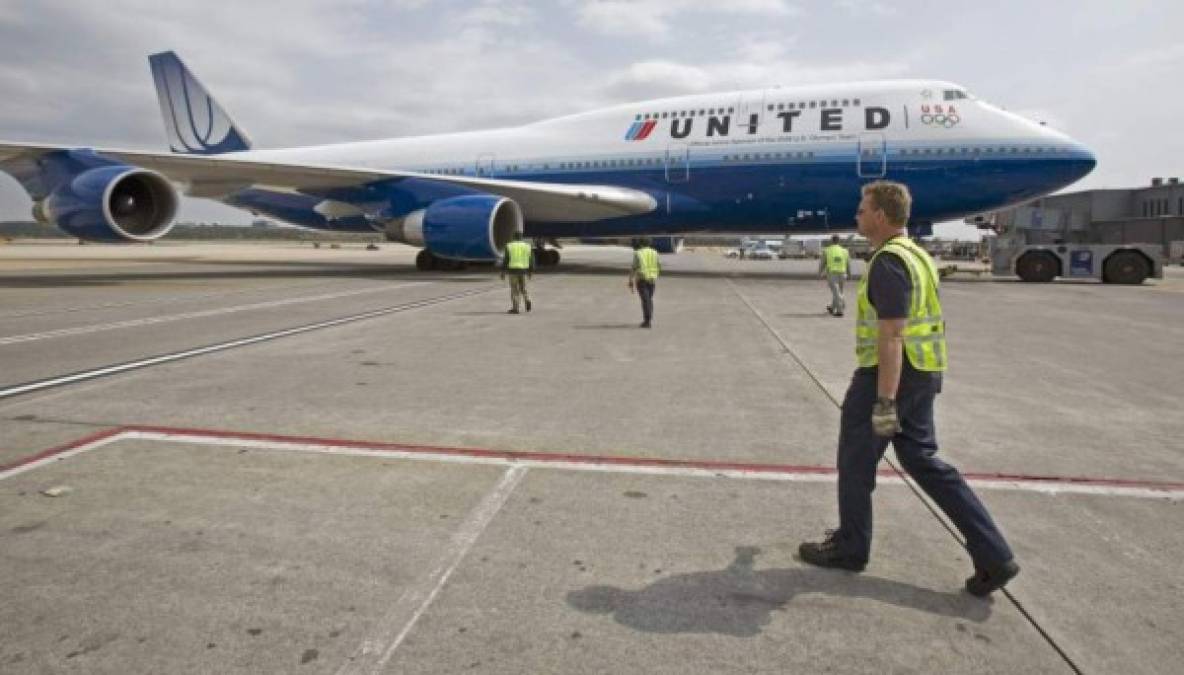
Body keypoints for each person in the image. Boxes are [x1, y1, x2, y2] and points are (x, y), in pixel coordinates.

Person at [798, 180, 1019, 597]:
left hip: (888, 375)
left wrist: (884, 399)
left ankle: (850, 548)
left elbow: (893, 335)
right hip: (924, 371)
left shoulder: (888, 262)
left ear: (881, 215)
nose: (858, 215)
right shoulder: (918, 255)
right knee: (923, 461)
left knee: (856, 462)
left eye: (863, 210)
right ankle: (994, 554)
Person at [628, 237, 660, 328]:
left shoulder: (638, 253)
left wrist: (630, 280)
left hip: (642, 279)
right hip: (652, 280)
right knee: (649, 299)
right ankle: (649, 319)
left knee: (645, 300)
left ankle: (647, 321)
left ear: (641, 244)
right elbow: (658, 265)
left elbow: (633, 268)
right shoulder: (655, 252)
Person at [500, 232, 534, 314]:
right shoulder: (527, 246)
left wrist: (503, 271)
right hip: (524, 270)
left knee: (515, 289)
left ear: (513, 237)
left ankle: (516, 308)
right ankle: (527, 299)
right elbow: (531, 260)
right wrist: (530, 271)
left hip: (513, 271)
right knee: (524, 288)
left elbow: (506, 260)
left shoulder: (509, 246)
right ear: (522, 237)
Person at [819, 235, 851, 317]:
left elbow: (823, 263)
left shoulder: (827, 250)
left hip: (832, 274)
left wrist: (820, 272)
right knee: (839, 291)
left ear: (831, 241)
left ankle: (840, 310)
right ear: (839, 241)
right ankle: (832, 307)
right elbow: (848, 264)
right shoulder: (845, 251)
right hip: (843, 273)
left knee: (836, 292)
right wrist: (849, 274)